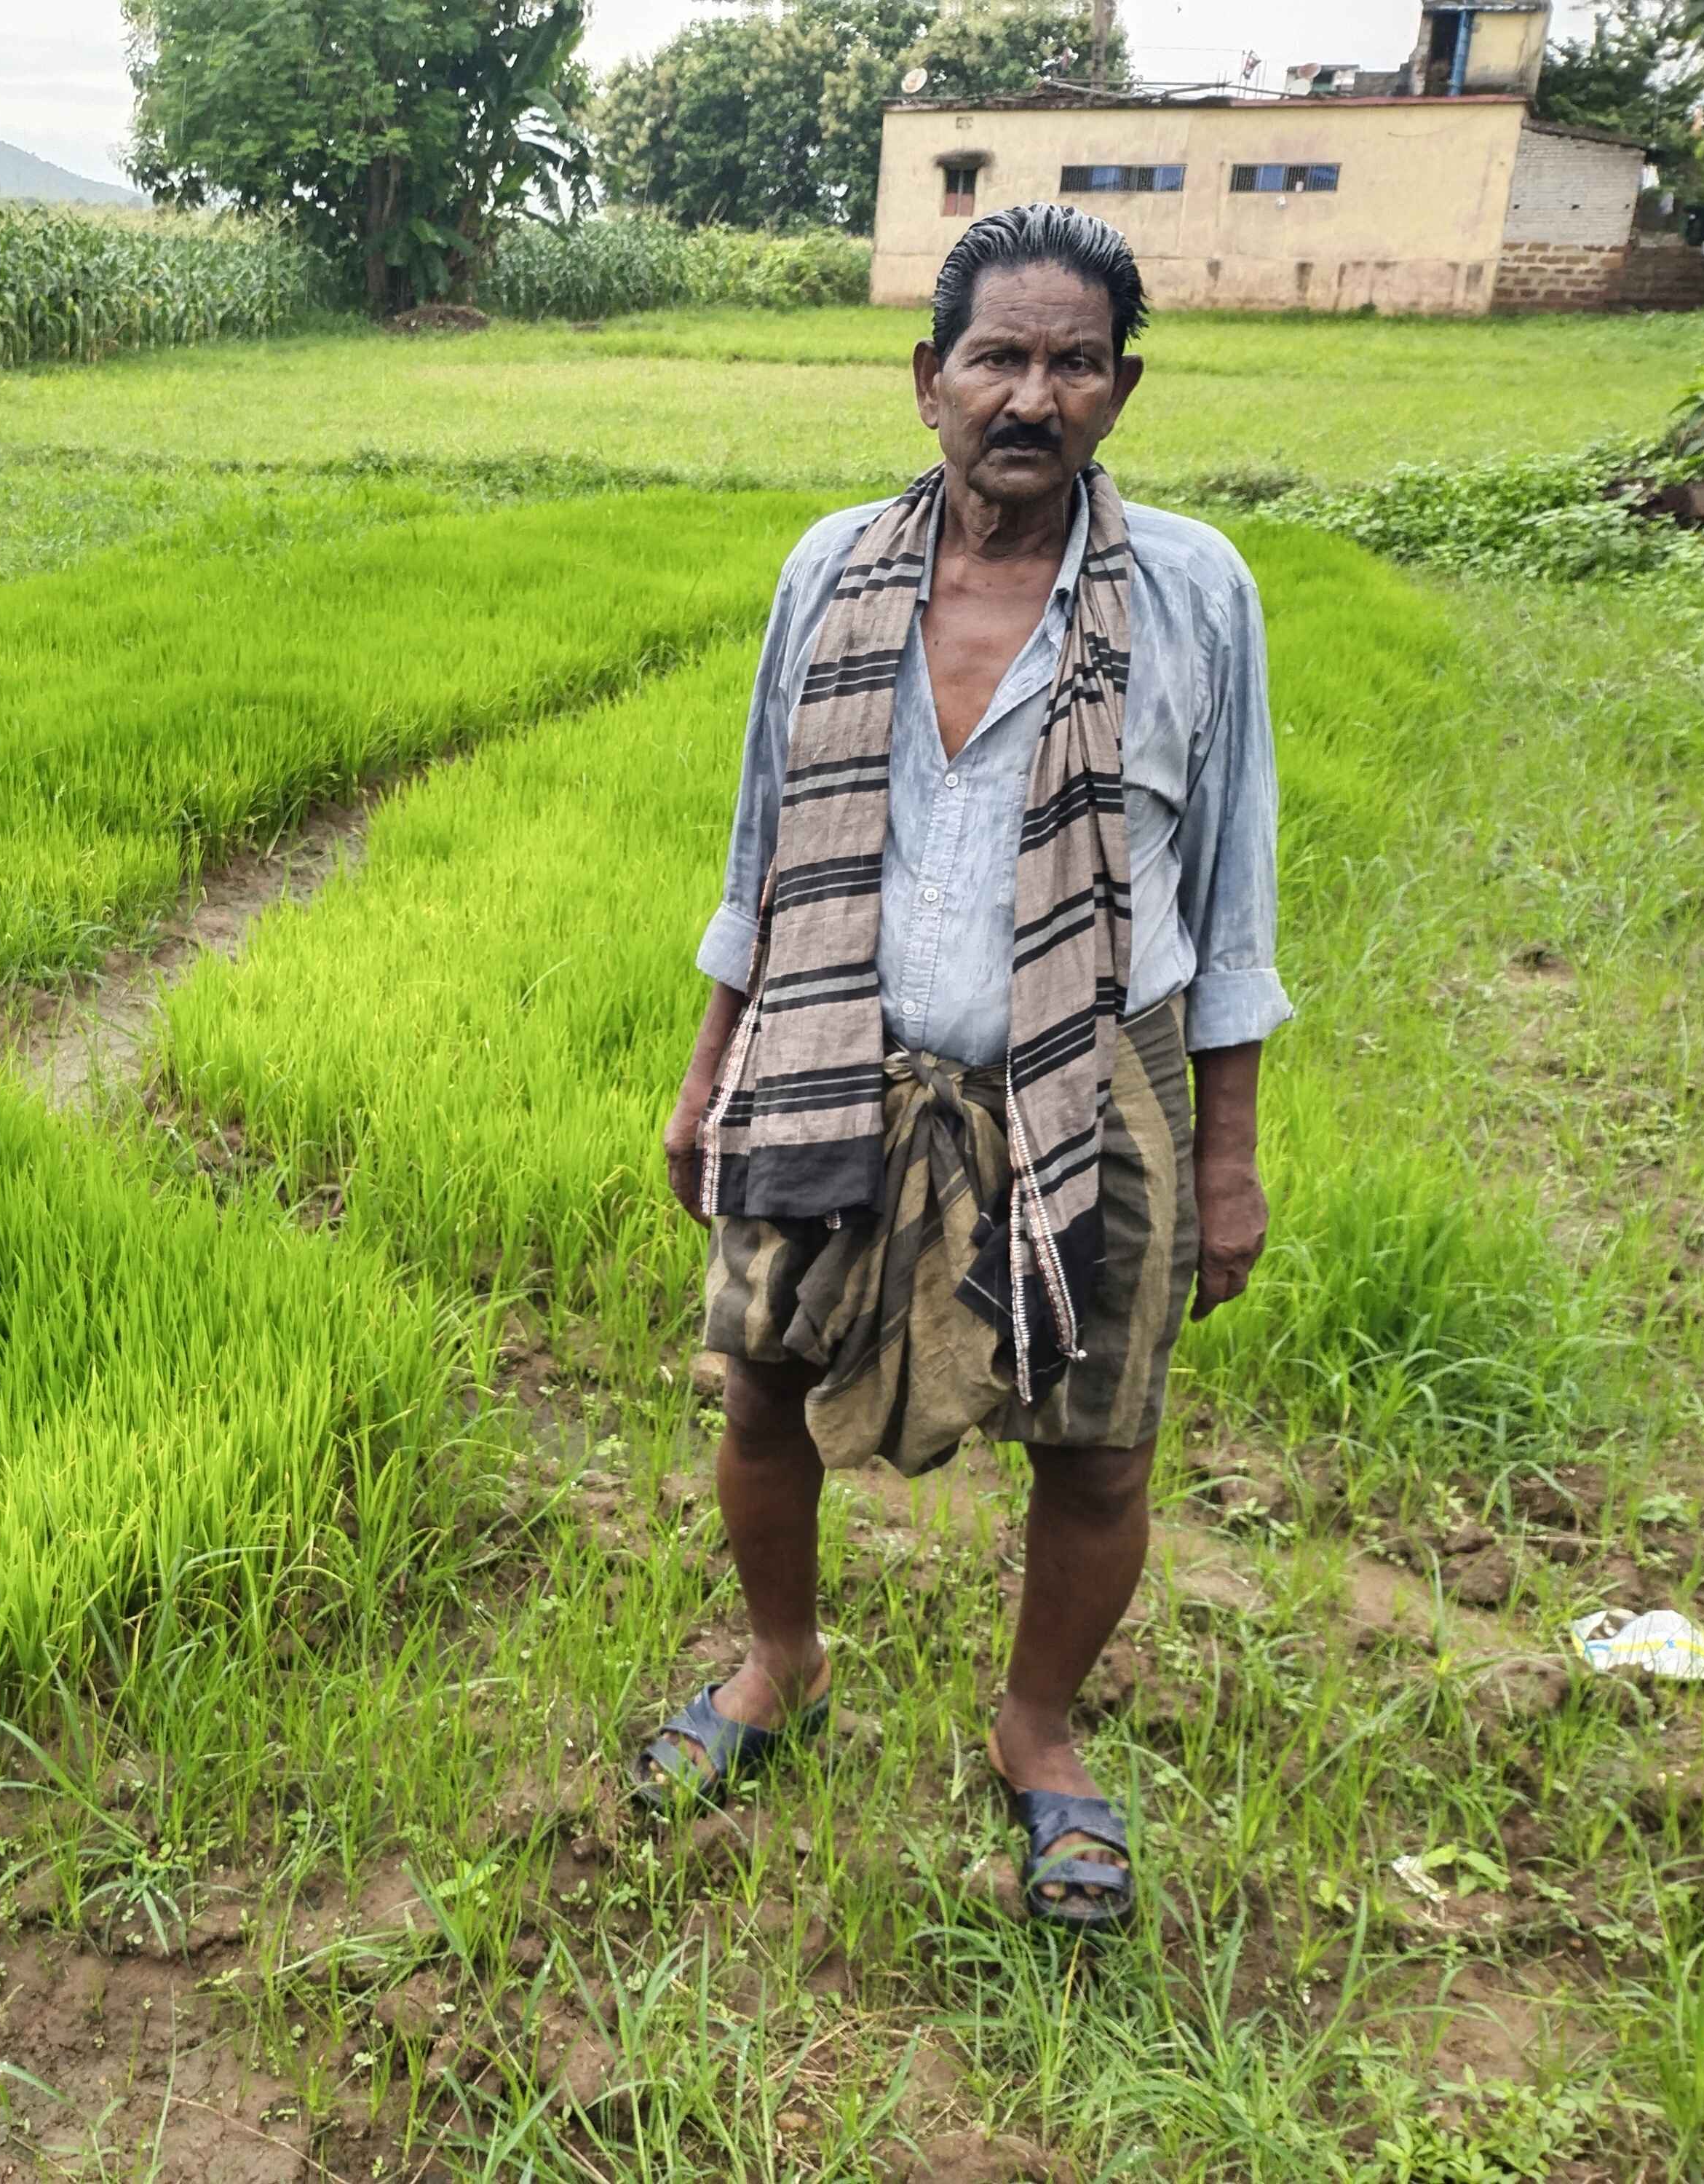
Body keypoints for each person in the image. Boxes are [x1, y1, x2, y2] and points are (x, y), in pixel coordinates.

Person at [641, 204, 1289, 1936]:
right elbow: (760, 849)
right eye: (997, 356)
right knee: (761, 1384)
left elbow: (1228, 898)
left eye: (1072, 363)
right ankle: (779, 1664)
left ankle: (1035, 1729)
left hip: (1095, 1081)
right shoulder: (831, 568)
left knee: (1096, 1444)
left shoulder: (1191, 594)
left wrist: (1225, 1158)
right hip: (826, 1054)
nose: (1030, 395)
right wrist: (708, 1071)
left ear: (1118, 391)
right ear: (927, 378)